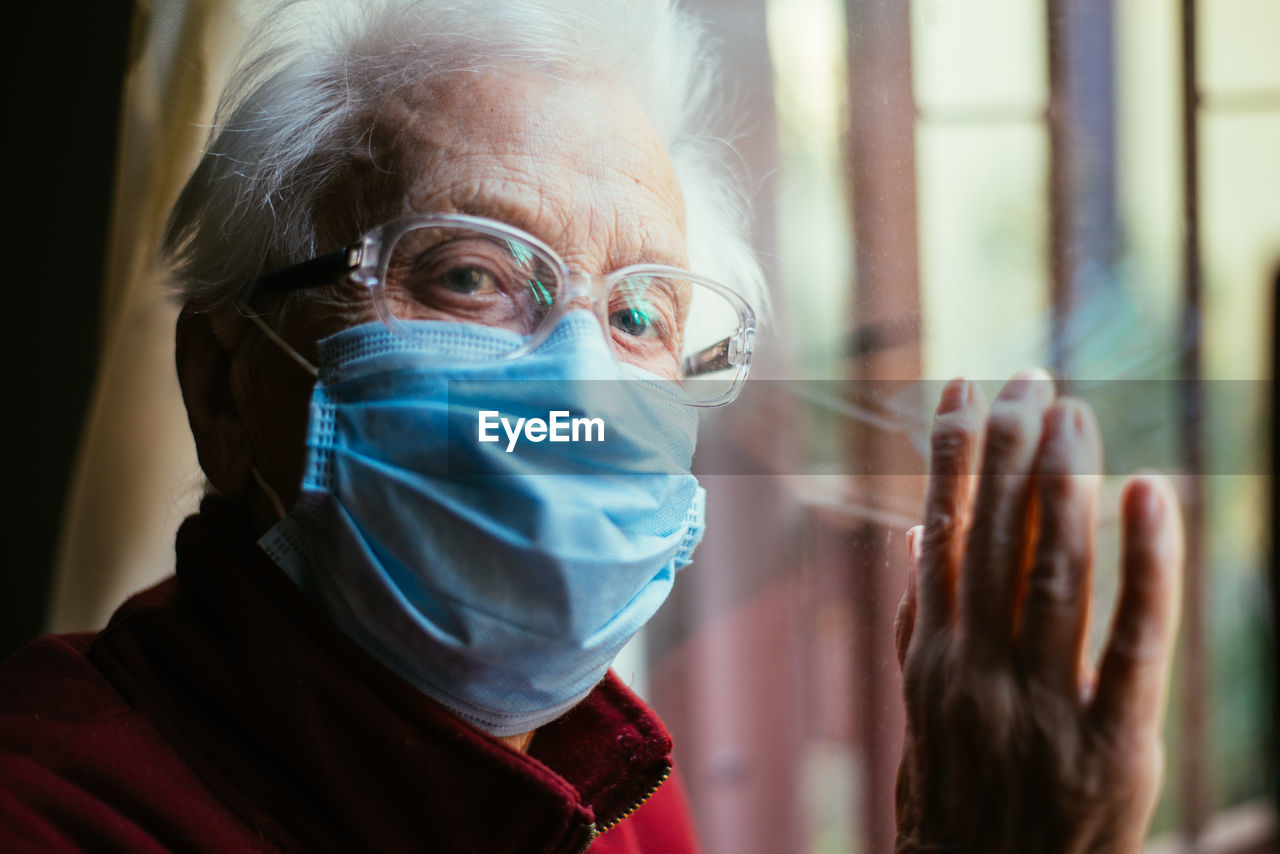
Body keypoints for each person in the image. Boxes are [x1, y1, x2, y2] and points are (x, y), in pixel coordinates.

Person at [0, 1, 1183, 852]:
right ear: (219, 382)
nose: (577, 388)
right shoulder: (48, 808)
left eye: (635, 313)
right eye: (468, 275)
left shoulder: (609, 792)